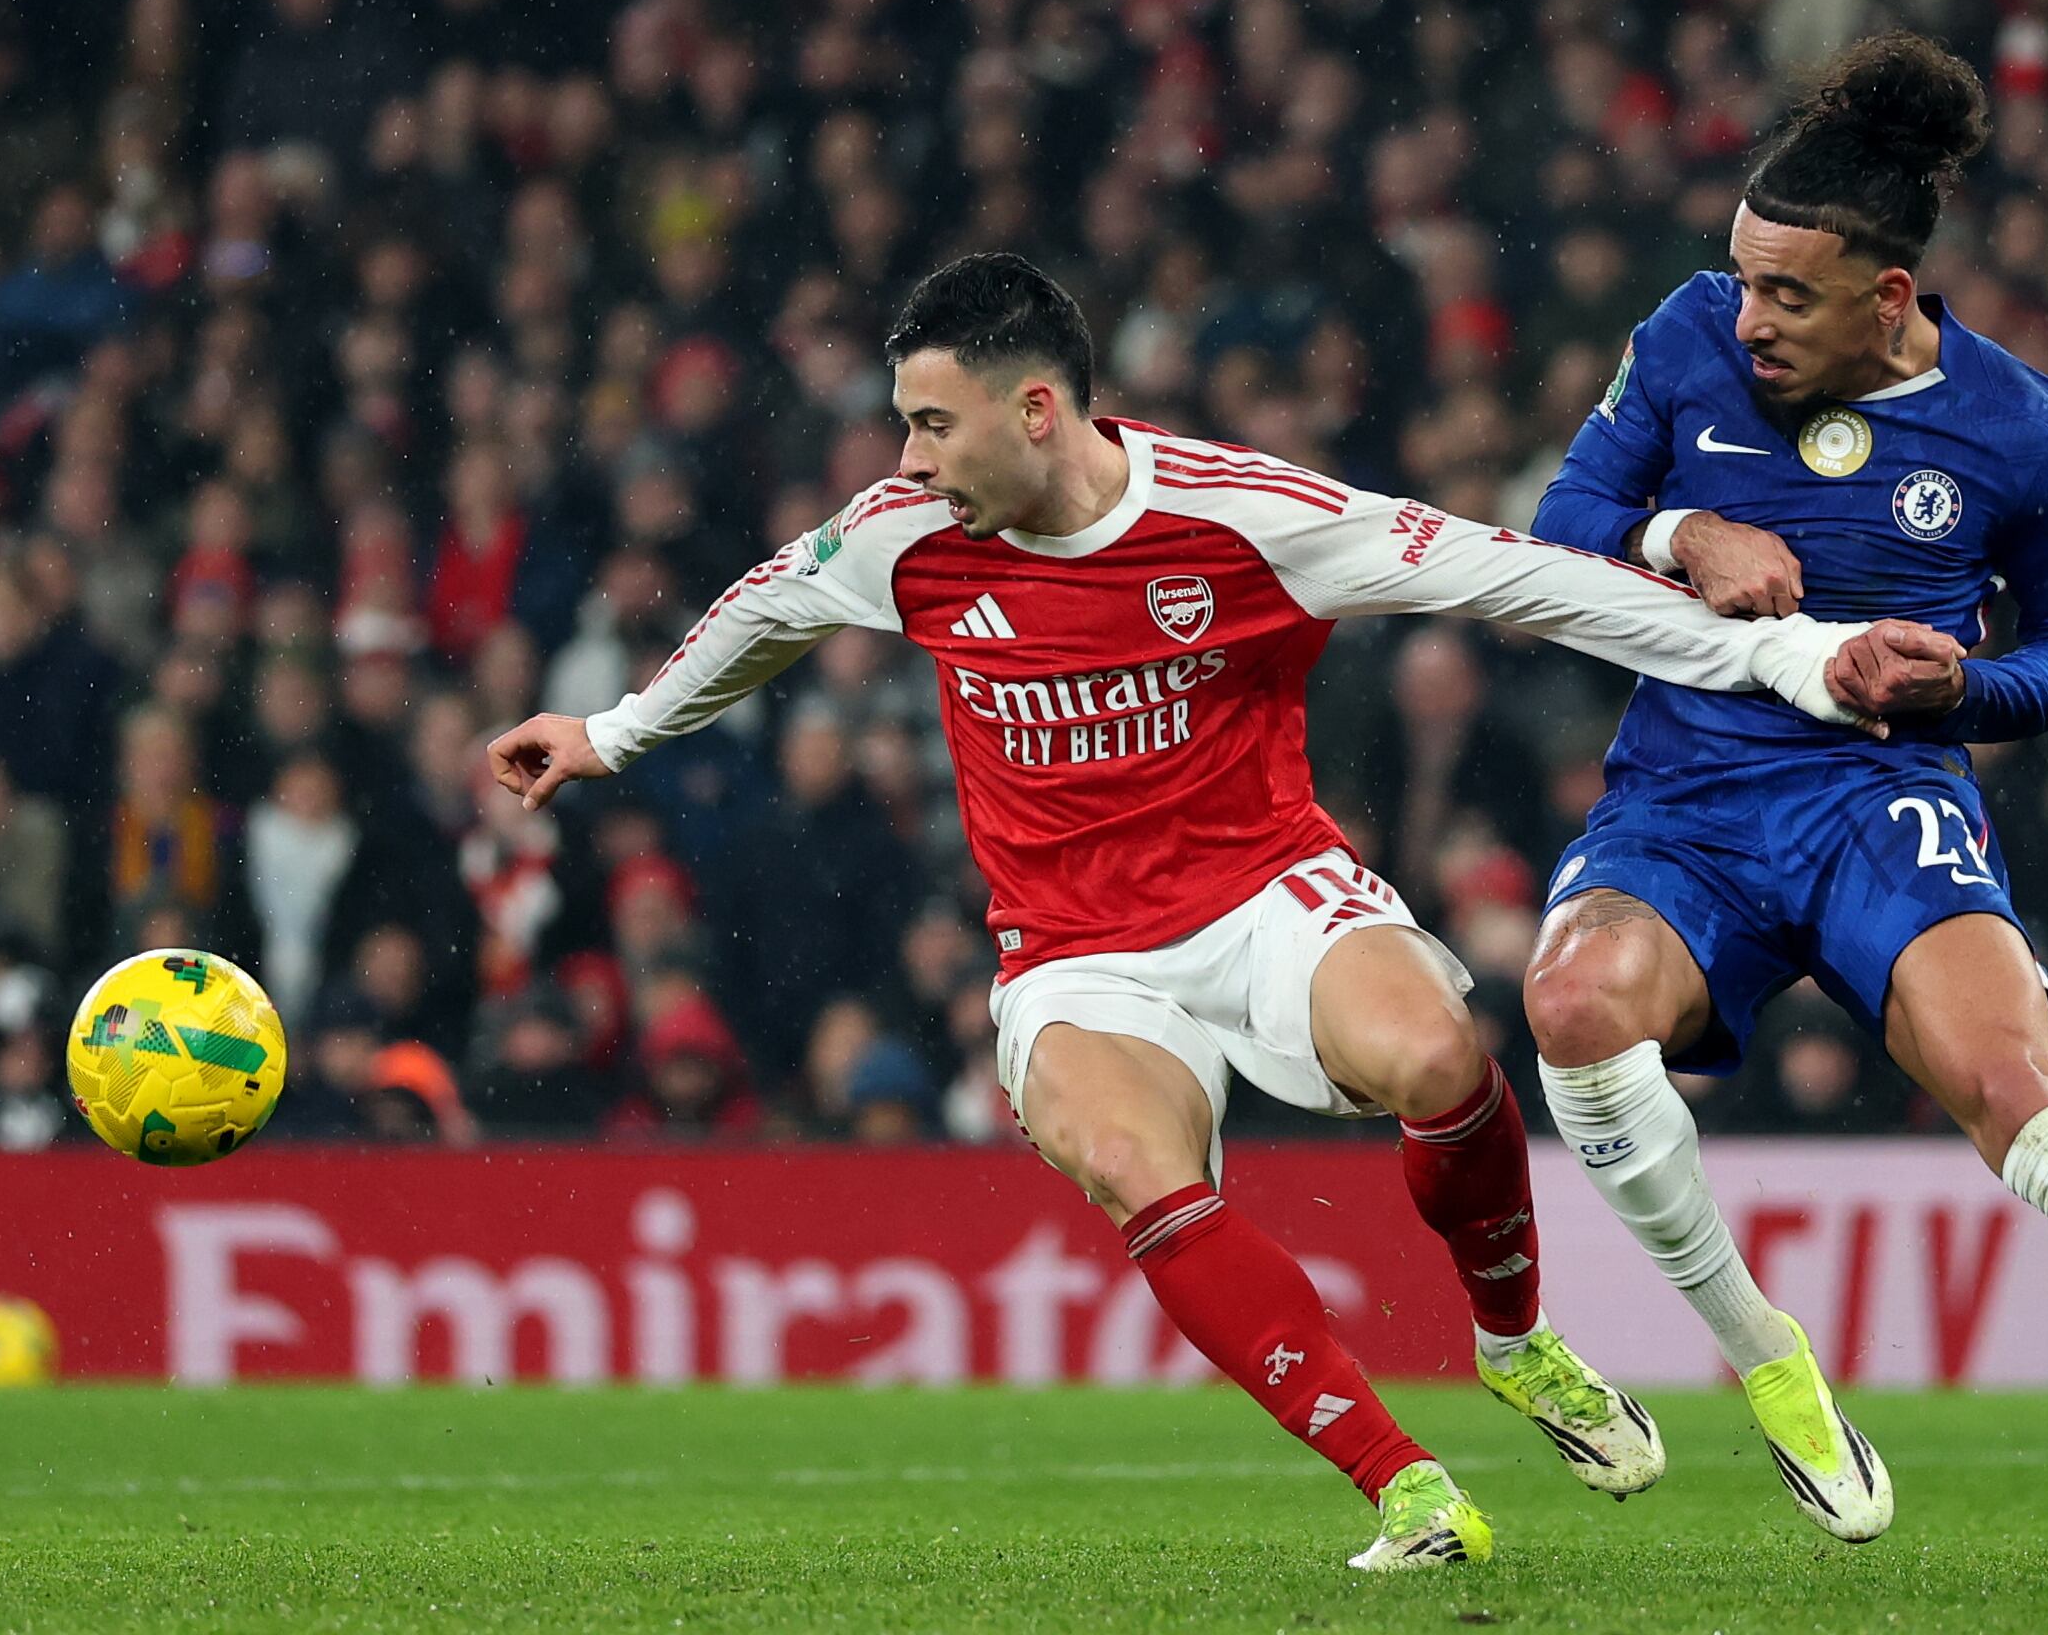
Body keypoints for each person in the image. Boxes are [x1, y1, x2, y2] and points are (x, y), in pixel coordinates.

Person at [489, 252, 1926, 1571]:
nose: (906, 461)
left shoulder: (1242, 518)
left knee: (1439, 1059)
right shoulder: (901, 540)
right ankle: (1404, 1485)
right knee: (1132, 1162)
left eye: (932, 424)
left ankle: (1514, 1341)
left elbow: (1518, 579)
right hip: (1070, 953)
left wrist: (1792, 661)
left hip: (1263, 892)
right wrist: (614, 734)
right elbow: (761, 611)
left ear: (1036, 409)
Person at [1523, 34, 2048, 1568]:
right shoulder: (1686, 338)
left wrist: (1960, 688)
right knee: (1569, 1003)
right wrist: (1683, 528)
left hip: (1882, 792)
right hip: (1686, 790)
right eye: (1744, 279)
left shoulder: (2020, 424)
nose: (1749, 319)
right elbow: (1561, 520)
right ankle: (1769, 1354)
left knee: (2016, 1086)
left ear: (1890, 297)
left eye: (1791, 295)